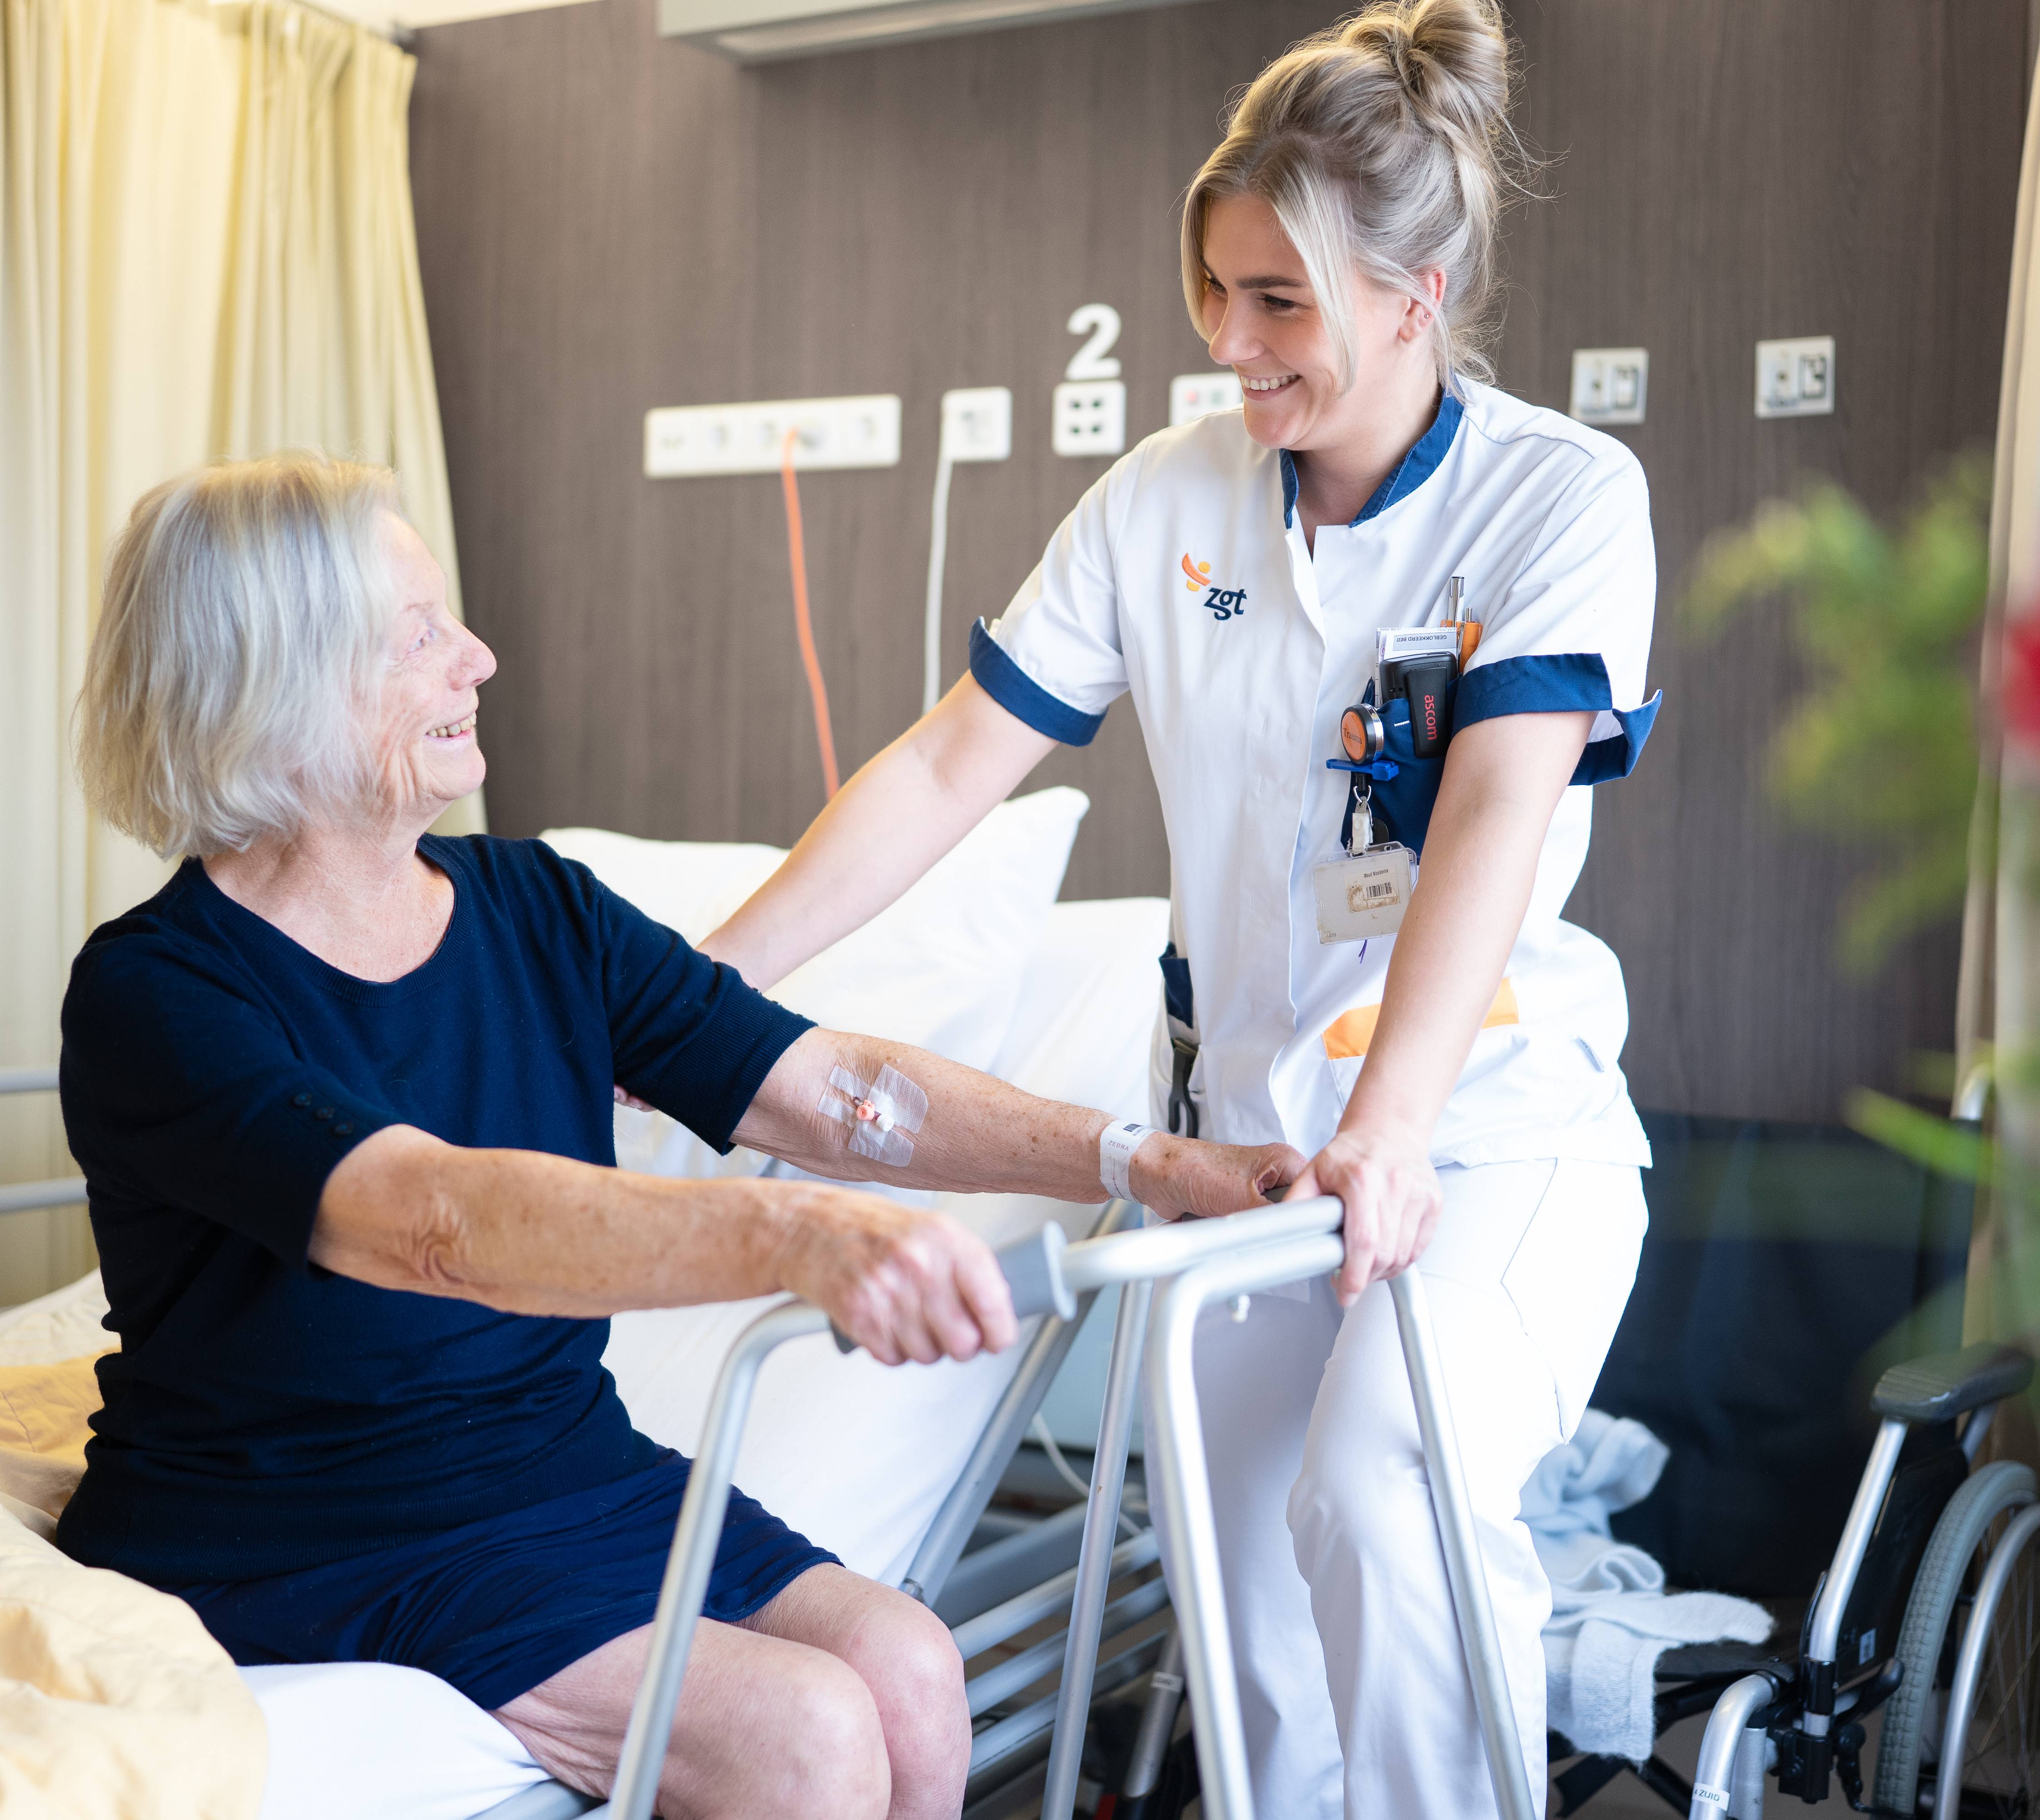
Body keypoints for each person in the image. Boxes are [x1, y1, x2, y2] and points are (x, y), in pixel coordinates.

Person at [697, 4, 1660, 1813]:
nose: (1230, 343)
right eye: (1215, 290)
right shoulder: (1167, 503)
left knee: (1387, 1488)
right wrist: (689, 979)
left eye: (1279, 302)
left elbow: (1495, 820)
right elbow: (945, 767)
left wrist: (1387, 1132)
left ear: (1414, 289)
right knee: (1250, 1625)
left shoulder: (1559, 499)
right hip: (1244, 1151)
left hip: (1486, 1135)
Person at [53, 454, 1298, 1820]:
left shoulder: (535, 908)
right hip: (311, 1517)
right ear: (273, 682)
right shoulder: (159, 993)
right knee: (809, 1736)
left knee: (913, 1668)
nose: (477, 655)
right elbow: (430, 1219)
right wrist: (795, 1233)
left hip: (556, 1463)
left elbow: (826, 1088)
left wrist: (1149, 1162)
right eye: (418, 634)